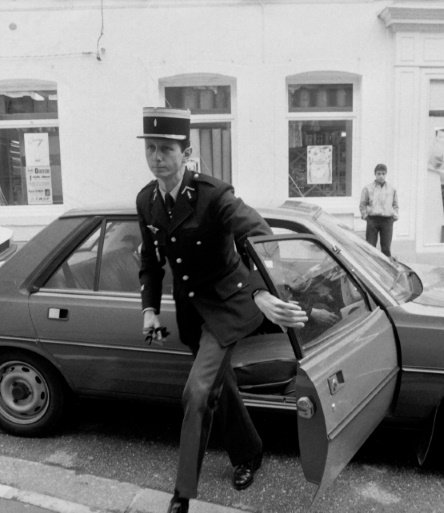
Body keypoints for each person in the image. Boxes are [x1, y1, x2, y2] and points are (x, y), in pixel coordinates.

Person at [135, 107, 308, 513]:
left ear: (187, 150)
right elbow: (149, 261)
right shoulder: (147, 200)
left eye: (166, 149)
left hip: (229, 306)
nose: (157, 157)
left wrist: (263, 296)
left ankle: (182, 495)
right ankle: (250, 452)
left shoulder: (213, 194)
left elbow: (261, 237)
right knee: (218, 385)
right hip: (192, 313)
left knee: (196, 393)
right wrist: (149, 310)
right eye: (151, 149)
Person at [359, 163, 399, 257]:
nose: (381, 176)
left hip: (387, 221)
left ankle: (385, 269)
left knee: (386, 248)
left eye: (383, 173)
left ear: (386, 174)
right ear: (375, 174)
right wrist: (366, 216)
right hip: (373, 220)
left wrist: (394, 216)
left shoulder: (391, 189)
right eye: (379, 173)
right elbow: (363, 204)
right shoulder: (368, 188)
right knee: (370, 247)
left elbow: (396, 204)